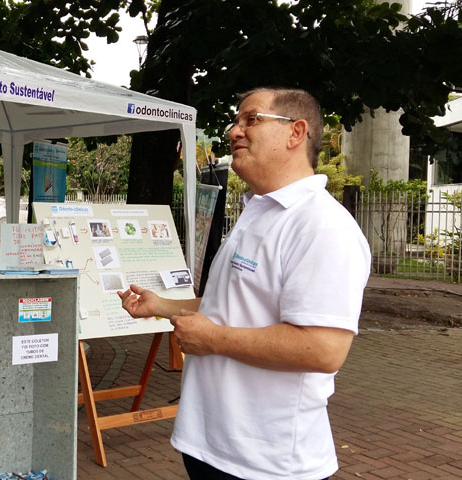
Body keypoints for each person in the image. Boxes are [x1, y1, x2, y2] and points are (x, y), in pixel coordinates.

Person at [119, 87, 370, 480]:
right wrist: (162, 306)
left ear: (296, 132)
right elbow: (230, 305)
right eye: (236, 121)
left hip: (267, 462)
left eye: (251, 119)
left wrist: (213, 339)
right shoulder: (259, 211)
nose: (235, 131)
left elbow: (323, 349)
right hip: (210, 446)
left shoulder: (322, 226)